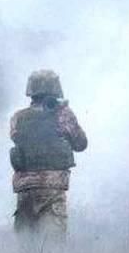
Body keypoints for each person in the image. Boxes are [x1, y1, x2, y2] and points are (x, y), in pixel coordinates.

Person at [9, 70, 87, 239]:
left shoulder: (18, 117)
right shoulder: (63, 114)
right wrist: (62, 111)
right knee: (53, 246)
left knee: (25, 243)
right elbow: (81, 144)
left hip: (25, 189)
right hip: (52, 188)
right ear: (56, 89)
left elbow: (17, 138)